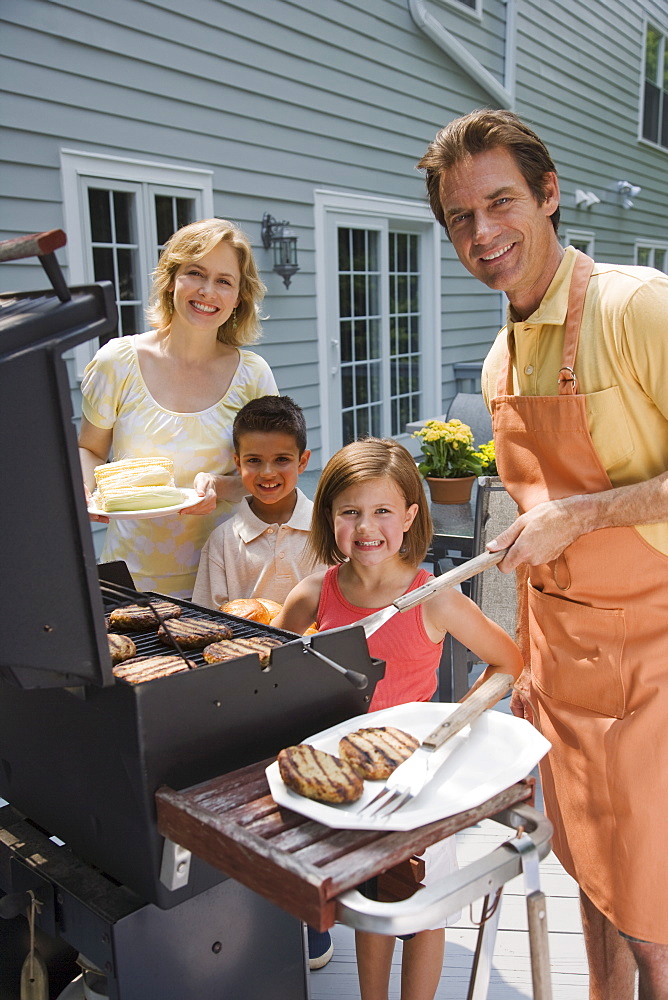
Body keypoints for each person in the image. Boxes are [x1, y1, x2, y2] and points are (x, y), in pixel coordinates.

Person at [418, 109, 668, 1000]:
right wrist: (531, 536)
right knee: (593, 889)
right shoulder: (498, 363)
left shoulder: (634, 307)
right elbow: (545, 509)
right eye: (460, 218)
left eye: (501, 202)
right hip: (561, 672)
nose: (483, 234)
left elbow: (583, 510)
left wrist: (583, 515)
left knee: (655, 920)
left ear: (550, 195)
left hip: (651, 669)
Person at [273, 437, 523, 1000]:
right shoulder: (313, 597)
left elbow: (509, 662)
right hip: (350, 784)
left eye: (383, 510)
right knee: (371, 904)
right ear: (329, 517)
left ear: (411, 515)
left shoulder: (434, 598)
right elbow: (274, 683)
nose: (367, 526)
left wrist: (452, 727)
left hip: (419, 781)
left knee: (424, 908)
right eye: (350, 512)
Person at [78, 218, 278, 598]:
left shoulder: (252, 376)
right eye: (195, 273)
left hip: (227, 577)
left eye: (224, 280)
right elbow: (89, 448)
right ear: (171, 279)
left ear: (238, 297)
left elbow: (269, 478)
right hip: (131, 579)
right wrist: (86, 491)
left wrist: (221, 487)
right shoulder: (117, 361)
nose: (207, 291)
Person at [192, 394, 326, 610]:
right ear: (238, 463)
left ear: (302, 462)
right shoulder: (223, 542)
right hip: (244, 645)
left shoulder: (329, 529)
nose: (268, 473)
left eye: (281, 459)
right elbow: (207, 619)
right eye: (254, 460)